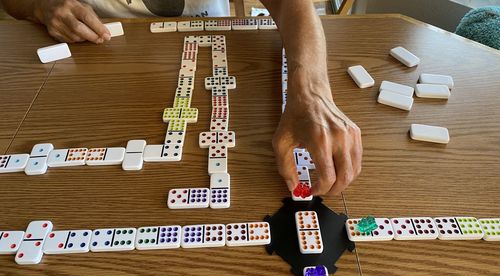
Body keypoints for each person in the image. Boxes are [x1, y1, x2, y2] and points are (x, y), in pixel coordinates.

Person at [1, 0, 362, 196]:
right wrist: (39, 5)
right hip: (94, 58)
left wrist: (311, 87)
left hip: (209, 37)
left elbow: (293, 4)